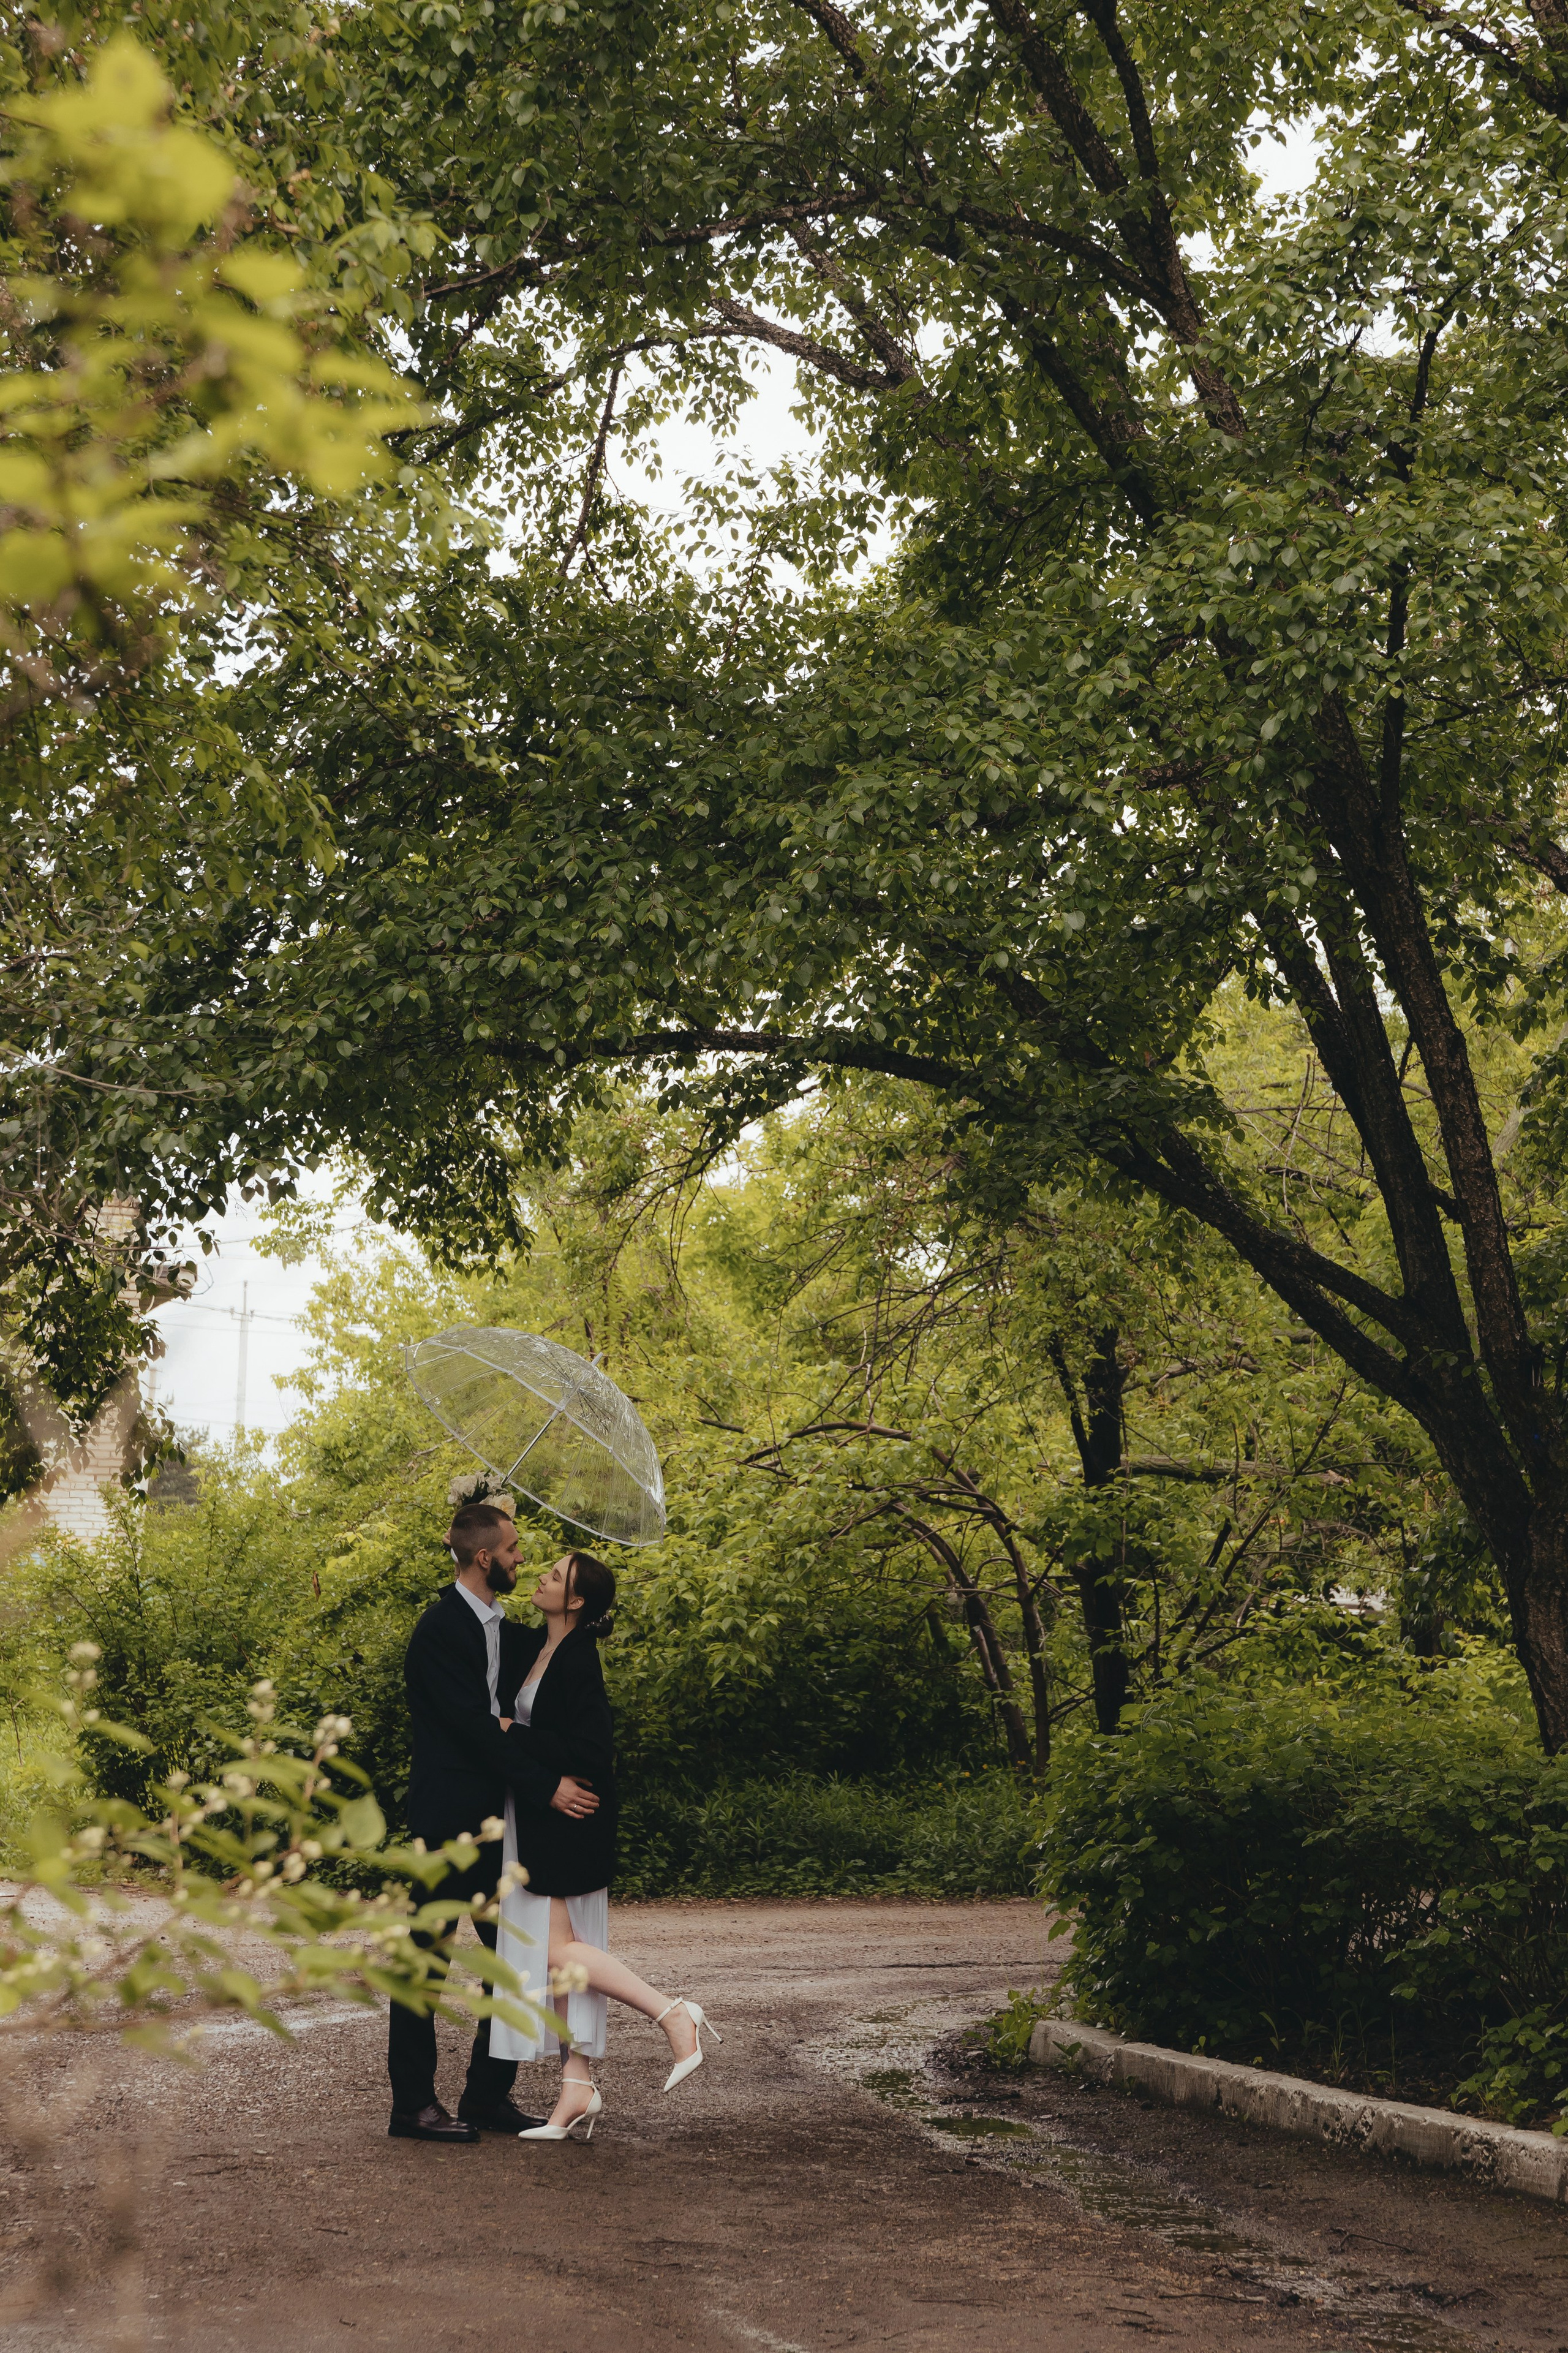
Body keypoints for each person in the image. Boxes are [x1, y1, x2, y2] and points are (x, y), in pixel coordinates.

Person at [388, 1501, 602, 2143]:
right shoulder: (439, 1630)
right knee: (421, 1959)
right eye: (511, 1550)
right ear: (485, 1558)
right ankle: (413, 2106)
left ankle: (485, 2096)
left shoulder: (501, 1628)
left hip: (494, 1823)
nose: (519, 1559)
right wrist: (548, 1788)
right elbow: (476, 1731)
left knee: (515, 1957)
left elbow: (536, 1699)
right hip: (446, 1822)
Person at [491, 1549, 721, 2142]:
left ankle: (673, 2013)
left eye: (554, 1576)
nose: (540, 1576)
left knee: (554, 1954)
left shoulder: (578, 1659)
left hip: (570, 1819)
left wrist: (516, 1732)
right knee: (564, 1959)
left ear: (576, 1601)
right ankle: (576, 2087)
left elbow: (592, 1752)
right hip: (540, 1816)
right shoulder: (536, 1646)